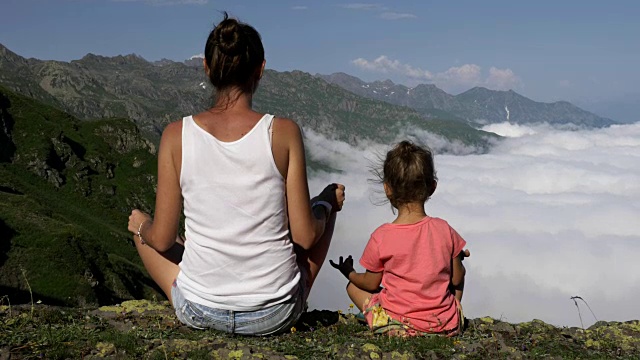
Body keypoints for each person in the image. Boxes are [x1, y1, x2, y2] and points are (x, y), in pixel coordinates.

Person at [127, 12, 345, 336]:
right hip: (275, 314)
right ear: (260, 69)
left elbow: (160, 238)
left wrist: (141, 224)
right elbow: (304, 236)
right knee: (323, 210)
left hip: (199, 311)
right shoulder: (283, 132)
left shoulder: (176, 135)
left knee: (145, 230)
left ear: (206, 67)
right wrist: (326, 204)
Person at [330, 140, 468, 336]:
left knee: (353, 287)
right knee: (461, 278)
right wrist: (457, 258)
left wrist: (349, 272)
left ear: (387, 188)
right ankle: (449, 319)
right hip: (442, 323)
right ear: (432, 187)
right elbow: (456, 278)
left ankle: (390, 324)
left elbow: (369, 284)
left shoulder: (381, 236)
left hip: (399, 320)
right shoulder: (445, 229)